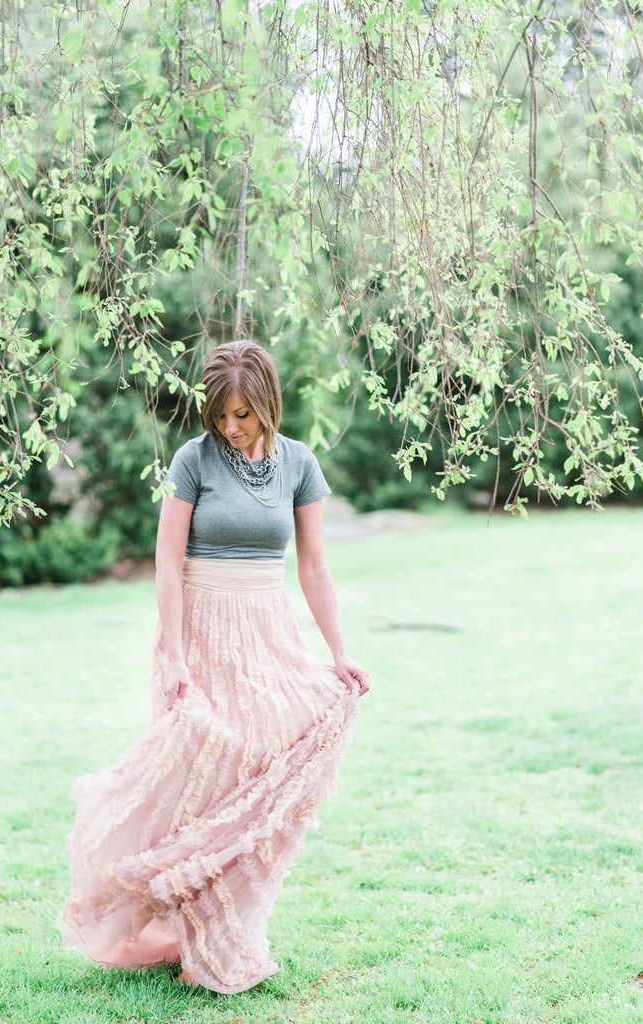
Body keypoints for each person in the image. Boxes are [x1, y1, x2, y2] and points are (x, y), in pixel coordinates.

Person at [60, 339, 369, 994]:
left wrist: (338, 651)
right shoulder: (192, 460)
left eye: (244, 415)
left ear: (267, 405)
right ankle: (176, 920)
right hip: (200, 630)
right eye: (222, 414)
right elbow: (167, 561)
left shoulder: (300, 464)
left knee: (265, 770)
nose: (231, 427)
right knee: (199, 773)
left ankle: (230, 930)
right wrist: (172, 653)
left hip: (268, 630)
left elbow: (313, 566)